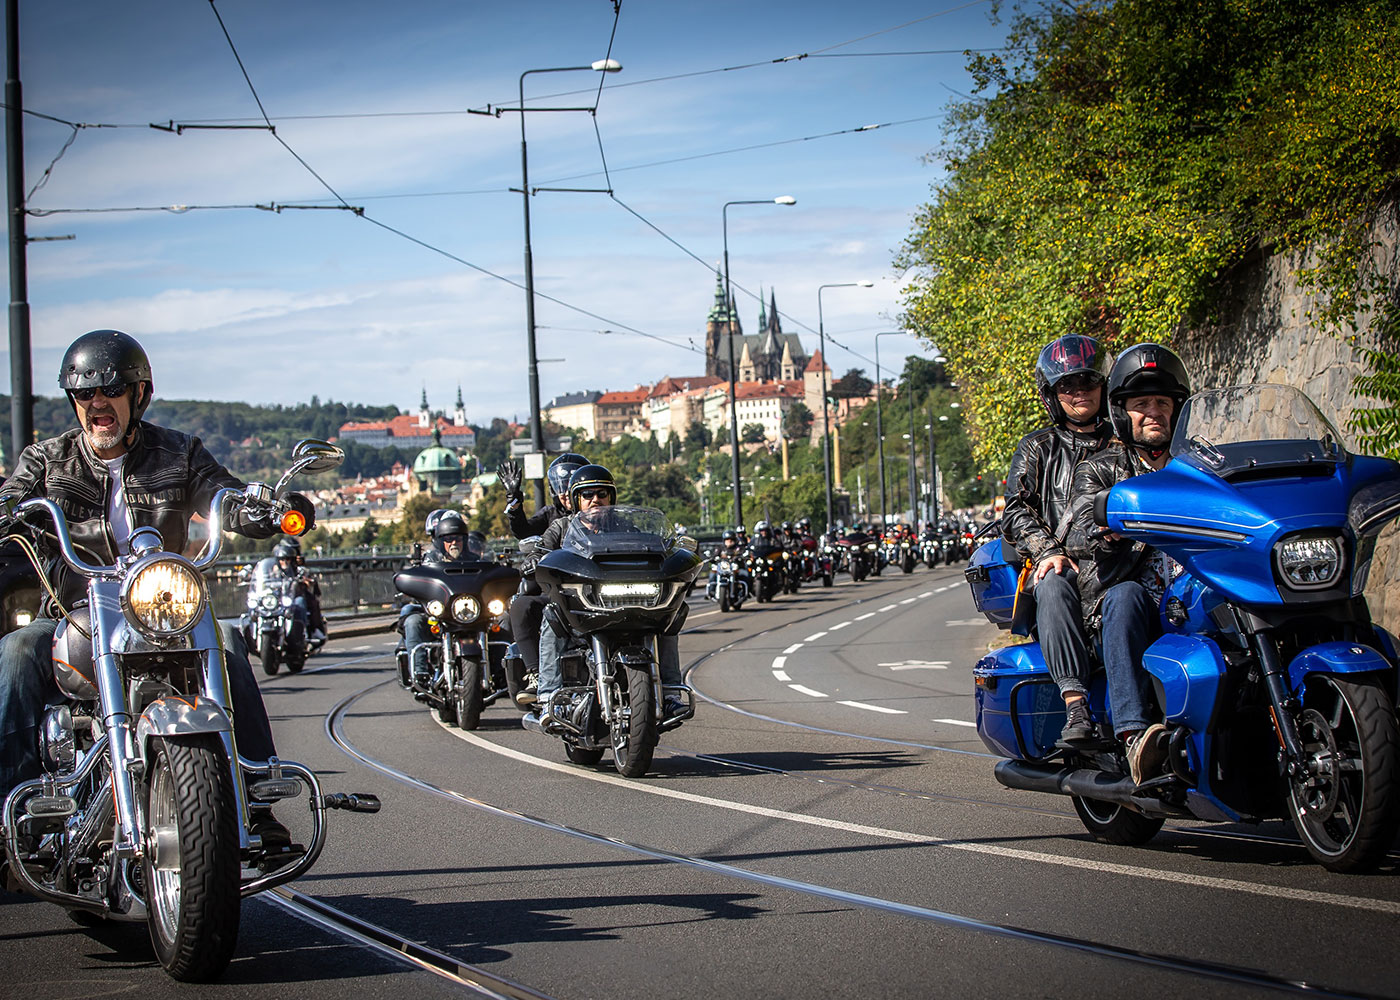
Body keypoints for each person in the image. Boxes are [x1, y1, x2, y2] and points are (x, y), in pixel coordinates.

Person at [0, 330, 314, 845]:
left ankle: (254, 793)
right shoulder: (47, 461)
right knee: (15, 651)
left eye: (110, 391)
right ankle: (11, 817)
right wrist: (7, 509)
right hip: (73, 608)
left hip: (163, 610)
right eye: (84, 394)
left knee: (229, 641)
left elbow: (224, 495)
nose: (97, 404)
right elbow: (14, 495)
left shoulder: (178, 452)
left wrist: (266, 511)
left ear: (138, 394)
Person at [1069, 343, 1192, 784]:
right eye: (1142, 404)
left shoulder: (1201, 467)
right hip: (1128, 599)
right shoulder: (1100, 470)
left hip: (1197, 591)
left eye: (1162, 402)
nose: (1153, 412)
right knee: (1125, 597)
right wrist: (1108, 529)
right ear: (1123, 413)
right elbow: (1082, 527)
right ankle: (1135, 736)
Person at [1001, 334, 1116, 745]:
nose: (1079, 391)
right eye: (1067, 384)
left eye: (1087, 380)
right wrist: (1049, 550)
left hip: (1120, 560)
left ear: (1104, 384)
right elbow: (1014, 510)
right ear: (1052, 393)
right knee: (1052, 582)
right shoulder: (1037, 447)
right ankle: (1075, 705)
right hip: (1063, 562)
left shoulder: (1127, 442)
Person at [525, 464, 689, 728]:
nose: (595, 500)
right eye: (587, 494)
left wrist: (671, 553)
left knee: (669, 618)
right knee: (551, 617)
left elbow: (650, 548)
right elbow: (541, 549)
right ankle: (549, 696)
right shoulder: (562, 527)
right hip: (582, 606)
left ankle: (670, 692)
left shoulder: (626, 526)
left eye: (601, 493)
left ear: (611, 497)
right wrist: (533, 558)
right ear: (576, 499)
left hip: (626, 600)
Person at [500, 454, 588, 706]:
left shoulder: (605, 515)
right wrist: (513, 500)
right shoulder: (554, 520)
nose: (563, 494)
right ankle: (537, 673)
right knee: (520, 605)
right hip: (556, 590)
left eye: (569, 487)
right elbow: (524, 531)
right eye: (559, 489)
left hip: (595, 589)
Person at [401, 508, 473, 684]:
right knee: (413, 620)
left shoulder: (475, 559)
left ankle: (505, 671)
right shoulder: (429, 560)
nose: (453, 542)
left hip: (470, 612)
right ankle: (419, 672)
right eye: (447, 537)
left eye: (458, 537)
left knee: (503, 617)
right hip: (439, 612)